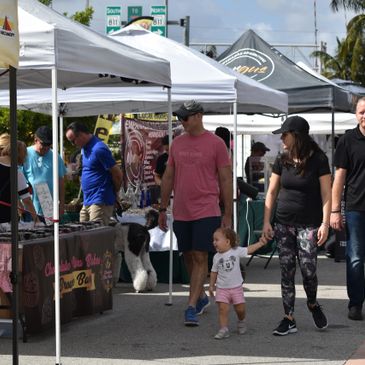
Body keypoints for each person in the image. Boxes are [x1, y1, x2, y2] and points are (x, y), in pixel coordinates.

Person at [158, 100, 233, 327]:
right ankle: (199, 297)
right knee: (188, 256)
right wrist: (162, 208)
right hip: (181, 210)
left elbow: (225, 178)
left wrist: (227, 212)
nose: (182, 121)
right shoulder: (177, 144)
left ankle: (190, 306)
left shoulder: (216, 143)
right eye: (180, 117)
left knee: (200, 256)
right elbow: (168, 176)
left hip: (206, 208)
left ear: (199, 116)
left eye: (185, 117)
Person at [262, 115, 331, 336]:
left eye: (285, 134)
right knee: (286, 270)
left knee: (309, 270)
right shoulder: (282, 159)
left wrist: (325, 223)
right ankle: (288, 317)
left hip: (309, 224)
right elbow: (271, 192)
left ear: (297, 136)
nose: (281, 138)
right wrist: (266, 221)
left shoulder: (319, 159)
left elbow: (326, 193)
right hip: (283, 223)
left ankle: (312, 303)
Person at [330, 97, 365, 321]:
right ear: (356, 114)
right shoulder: (347, 140)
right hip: (355, 209)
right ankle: (355, 304)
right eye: (362, 111)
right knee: (355, 258)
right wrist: (335, 211)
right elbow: (339, 178)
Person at [209, 227, 267, 339]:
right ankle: (223, 329)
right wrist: (211, 285)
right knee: (222, 309)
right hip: (222, 288)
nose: (214, 242)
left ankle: (241, 320)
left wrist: (260, 243)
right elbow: (213, 272)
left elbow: (248, 249)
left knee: (240, 309)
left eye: (217, 240)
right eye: (213, 240)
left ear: (227, 242)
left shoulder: (235, 251)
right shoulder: (216, 257)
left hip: (236, 288)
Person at [65, 122, 123, 225]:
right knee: (83, 235)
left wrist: (114, 193)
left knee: (95, 237)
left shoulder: (99, 149)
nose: (73, 144)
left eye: (73, 141)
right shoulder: (84, 148)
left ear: (81, 134)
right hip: (88, 200)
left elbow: (117, 174)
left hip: (100, 200)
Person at [22, 126, 66, 221]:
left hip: (50, 209)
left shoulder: (55, 156)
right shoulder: (25, 154)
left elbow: (61, 181)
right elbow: (18, 180)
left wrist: (62, 205)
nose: (46, 147)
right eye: (43, 144)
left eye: (49, 144)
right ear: (35, 140)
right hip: (30, 208)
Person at [0, 134, 38, 224]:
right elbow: (26, 200)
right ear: (21, 155)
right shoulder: (16, 172)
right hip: (6, 219)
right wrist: (36, 219)